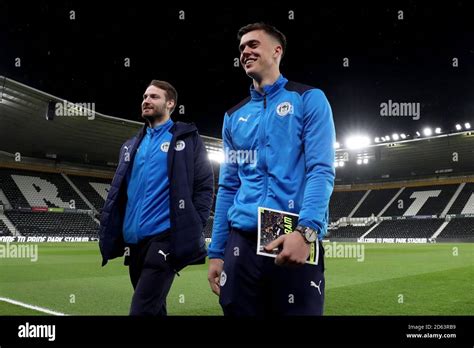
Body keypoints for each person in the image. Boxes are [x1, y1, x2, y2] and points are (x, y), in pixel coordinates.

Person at [207, 23, 335, 316]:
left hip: (291, 232)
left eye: (253, 45)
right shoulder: (233, 116)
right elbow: (228, 187)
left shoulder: (309, 99)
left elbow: (321, 169)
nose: (245, 52)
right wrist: (216, 252)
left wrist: (306, 232)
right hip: (241, 241)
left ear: (277, 51)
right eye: (241, 48)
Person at [99, 80, 214, 315]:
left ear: (170, 103)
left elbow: (204, 187)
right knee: (154, 309)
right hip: (134, 242)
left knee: (141, 310)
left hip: (165, 240)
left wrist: (194, 224)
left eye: (153, 97)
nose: (146, 101)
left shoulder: (187, 140)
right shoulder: (131, 146)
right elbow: (119, 193)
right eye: (144, 97)